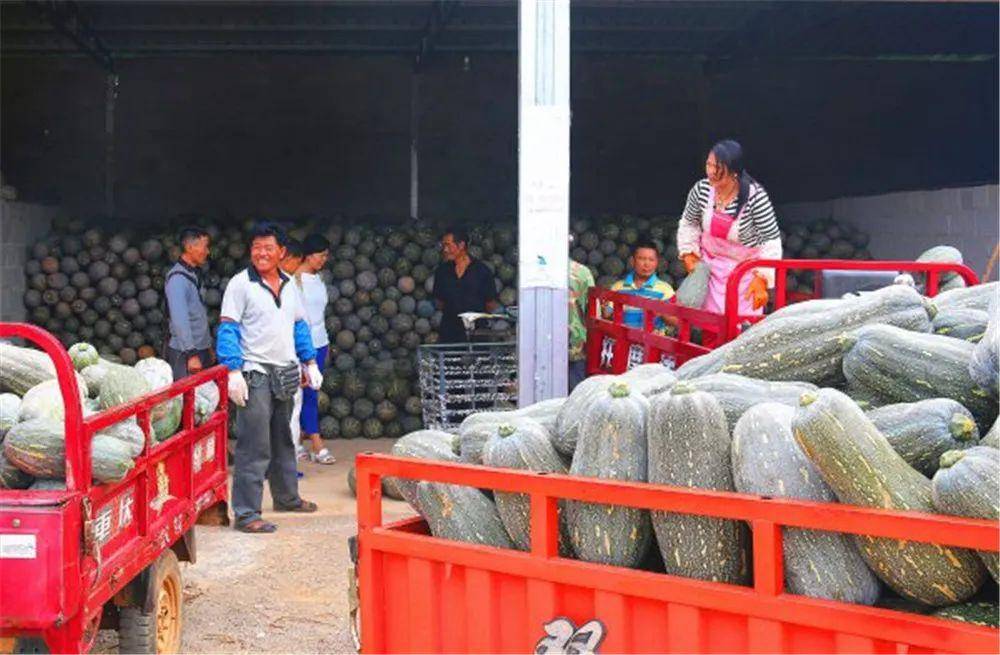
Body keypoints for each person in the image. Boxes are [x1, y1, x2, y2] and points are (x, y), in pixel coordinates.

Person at [216, 223, 323, 534]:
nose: (261, 254)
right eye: (256, 248)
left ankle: (287, 497)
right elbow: (228, 329)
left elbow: (300, 326)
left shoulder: (290, 284)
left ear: (282, 253)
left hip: (285, 372)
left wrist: (309, 361)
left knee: (283, 440)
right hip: (255, 373)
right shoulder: (240, 285)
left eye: (268, 249)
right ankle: (247, 514)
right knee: (255, 444)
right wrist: (233, 370)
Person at [676, 139, 782, 315]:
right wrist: (688, 253)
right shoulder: (701, 189)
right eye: (708, 165)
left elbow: (771, 240)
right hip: (709, 272)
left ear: (734, 172)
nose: (710, 172)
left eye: (717, 167)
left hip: (744, 276)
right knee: (710, 328)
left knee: (740, 332)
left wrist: (762, 278)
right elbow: (689, 223)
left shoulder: (756, 197)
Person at [293, 234, 335, 464]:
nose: (324, 260)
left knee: (311, 393)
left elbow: (320, 316)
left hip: (320, 342)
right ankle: (318, 446)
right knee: (308, 395)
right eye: (321, 255)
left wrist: (326, 344)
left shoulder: (318, 279)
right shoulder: (293, 281)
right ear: (309, 255)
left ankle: (298, 441)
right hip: (303, 346)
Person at [432, 227, 499, 343]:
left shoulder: (482, 271)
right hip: (449, 334)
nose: (445, 250)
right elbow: (439, 303)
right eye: (444, 246)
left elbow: (490, 304)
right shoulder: (441, 272)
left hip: (477, 334)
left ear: (461, 245)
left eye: (448, 245)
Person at [164, 227, 213, 381]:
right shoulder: (177, 279)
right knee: (187, 401)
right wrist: (191, 354)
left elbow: (198, 314)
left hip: (200, 349)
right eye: (204, 246)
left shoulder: (194, 274)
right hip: (185, 353)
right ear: (190, 247)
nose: (207, 251)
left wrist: (207, 346)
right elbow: (180, 320)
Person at [609, 238, 675, 331]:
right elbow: (607, 314)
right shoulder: (617, 287)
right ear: (632, 261)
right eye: (642, 259)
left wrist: (662, 313)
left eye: (651, 260)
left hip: (652, 343)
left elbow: (676, 322)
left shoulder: (665, 290)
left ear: (657, 262)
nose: (646, 264)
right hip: (624, 342)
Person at [568, 237, 595, 391]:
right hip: (576, 344)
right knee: (576, 398)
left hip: (537, 346)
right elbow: (592, 313)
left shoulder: (530, 271)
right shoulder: (583, 272)